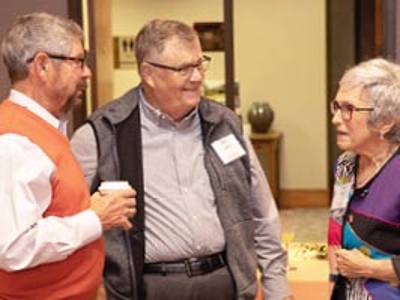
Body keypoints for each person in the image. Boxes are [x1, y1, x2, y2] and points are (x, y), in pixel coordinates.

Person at [70, 19, 294, 300]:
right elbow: (71, 222)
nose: (198, 77)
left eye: (200, 64)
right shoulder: (102, 134)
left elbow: (262, 213)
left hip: (224, 284)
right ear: (148, 73)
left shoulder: (223, 124)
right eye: (184, 68)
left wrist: (277, 289)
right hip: (149, 289)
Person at [0, 12, 136, 300]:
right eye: (78, 61)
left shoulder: (45, 129)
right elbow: (14, 246)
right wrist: (95, 218)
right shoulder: (15, 141)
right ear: (42, 65)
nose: (87, 72)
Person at [327, 58, 400, 300]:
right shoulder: (345, 165)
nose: (336, 119)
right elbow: (335, 236)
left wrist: (371, 268)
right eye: (336, 106)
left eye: (349, 109)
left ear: (385, 121)